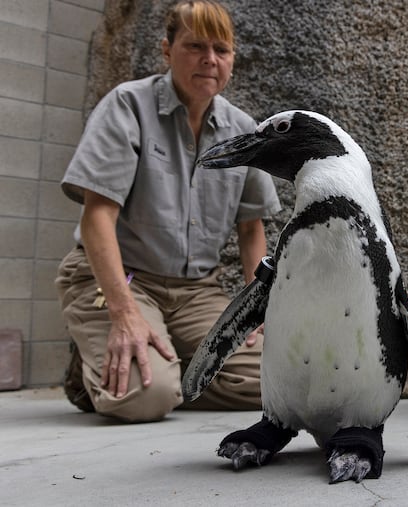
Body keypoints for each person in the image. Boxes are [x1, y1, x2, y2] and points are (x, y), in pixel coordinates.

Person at [55, 0, 281, 423]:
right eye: (195, 46)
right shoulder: (127, 106)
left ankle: (167, 361)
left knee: (276, 379)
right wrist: (123, 313)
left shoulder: (244, 131)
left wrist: (256, 310)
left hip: (197, 293)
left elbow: (251, 229)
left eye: (221, 50)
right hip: (123, 281)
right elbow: (97, 216)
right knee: (145, 398)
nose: (209, 60)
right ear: (166, 49)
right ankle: (110, 365)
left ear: (233, 59)